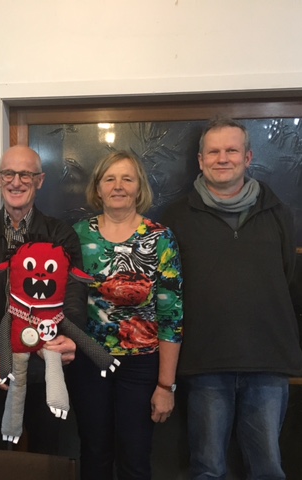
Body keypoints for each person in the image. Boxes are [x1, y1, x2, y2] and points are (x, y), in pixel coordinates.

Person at [161, 118, 302, 480]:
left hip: (268, 360)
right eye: (214, 151)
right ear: (200, 159)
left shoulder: (277, 212)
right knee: (207, 469)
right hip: (205, 362)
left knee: (268, 468)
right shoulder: (177, 217)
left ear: (248, 156)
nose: (222, 158)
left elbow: (286, 275)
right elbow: (167, 291)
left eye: (231, 150)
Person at [0, 145, 82, 454]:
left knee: (50, 461)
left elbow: (75, 295)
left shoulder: (61, 234)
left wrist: (66, 337)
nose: (17, 181)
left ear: (40, 180)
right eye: (9, 173)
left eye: (26, 174)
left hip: (44, 371)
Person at [67, 151, 183, 480]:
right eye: (110, 179)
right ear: (98, 188)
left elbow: (171, 315)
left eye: (127, 179)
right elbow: (62, 304)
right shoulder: (76, 235)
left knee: (135, 456)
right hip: (89, 362)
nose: (118, 186)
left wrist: (166, 385)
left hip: (142, 364)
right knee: (93, 452)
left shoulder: (160, 238)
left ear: (138, 188)